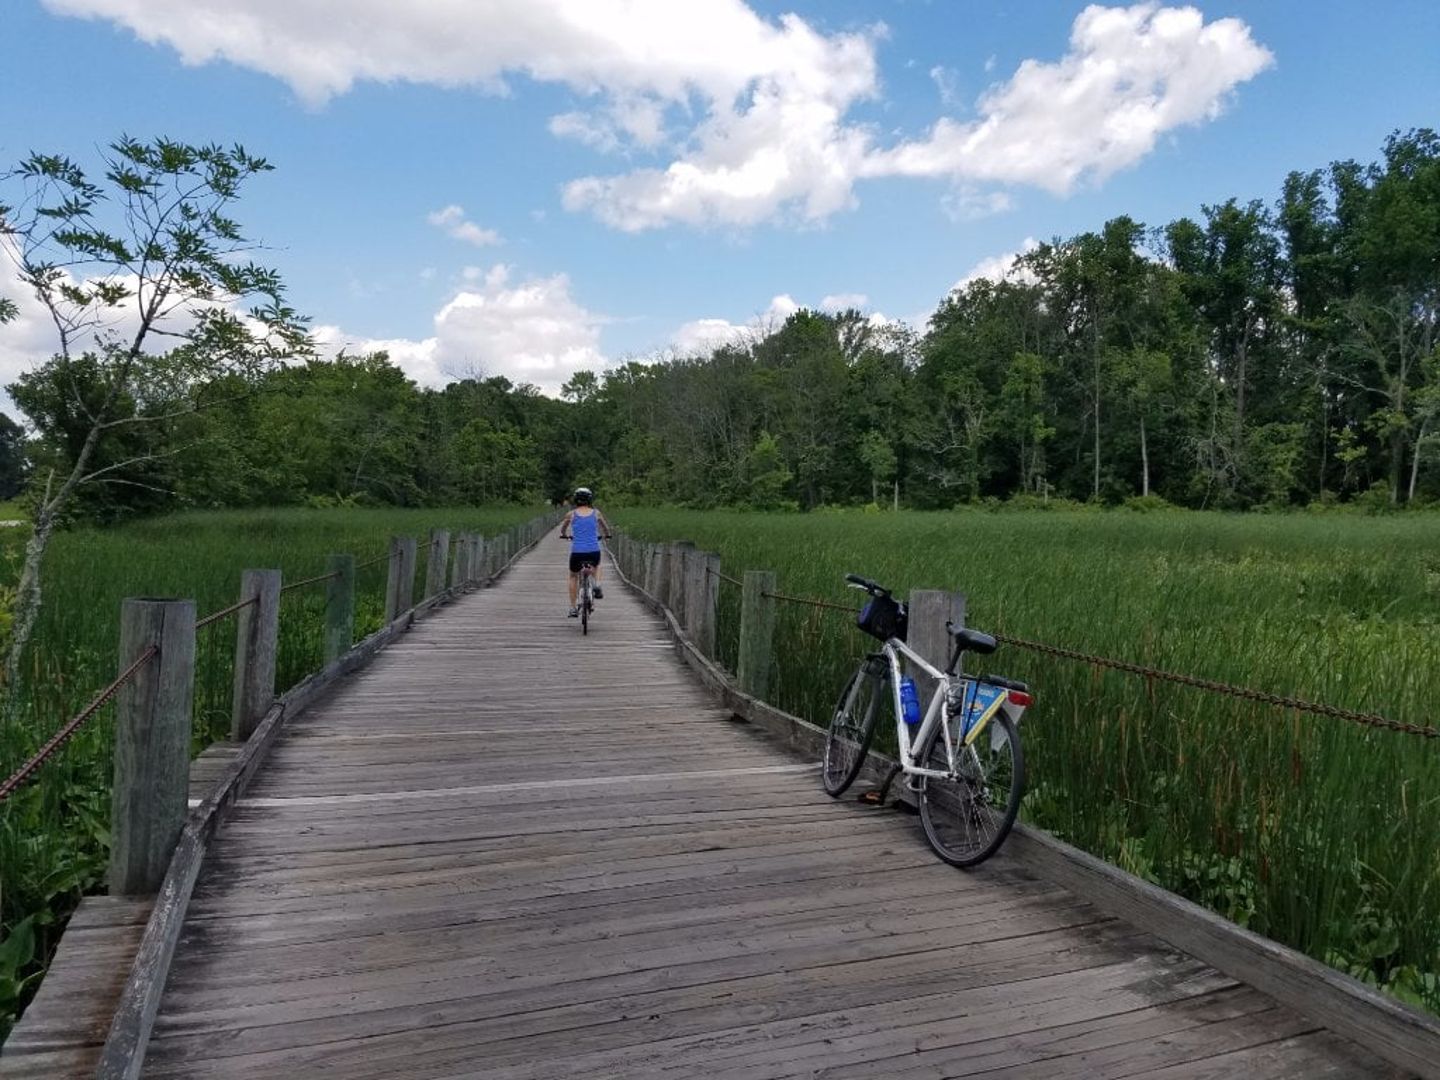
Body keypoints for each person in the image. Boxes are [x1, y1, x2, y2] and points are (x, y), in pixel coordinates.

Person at [559, 487, 611, 617]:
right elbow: (605, 528)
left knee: (573, 575)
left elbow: (563, 530)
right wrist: (607, 535)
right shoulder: (596, 513)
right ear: (590, 499)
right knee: (597, 565)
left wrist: (565, 535)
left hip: (577, 552)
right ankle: (597, 585)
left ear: (576, 499)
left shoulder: (571, 514)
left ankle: (572, 608)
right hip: (593, 551)